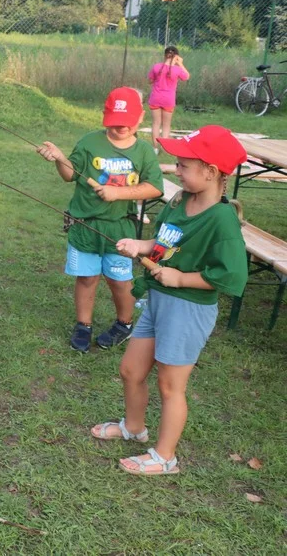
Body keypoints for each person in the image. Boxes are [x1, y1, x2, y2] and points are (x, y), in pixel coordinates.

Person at [92, 125, 247, 475]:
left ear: (210, 171)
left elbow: (231, 276)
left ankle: (165, 457)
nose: (176, 170)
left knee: (170, 385)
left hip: (188, 309)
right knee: (131, 370)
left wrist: (179, 278)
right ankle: (134, 428)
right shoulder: (180, 202)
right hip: (159, 301)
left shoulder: (222, 219)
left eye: (183, 165)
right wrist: (140, 247)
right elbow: (163, 244)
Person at [37, 88, 163, 352]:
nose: (121, 126)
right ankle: (84, 325)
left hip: (120, 228)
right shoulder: (89, 142)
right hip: (85, 225)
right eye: (116, 120)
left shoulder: (143, 151)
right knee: (86, 278)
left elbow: (154, 187)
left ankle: (124, 324)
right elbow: (70, 175)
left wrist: (118, 193)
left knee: (119, 280)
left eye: (128, 119)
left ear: (140, 118)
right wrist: (60, 159)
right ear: (106, 116)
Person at [147, 46, 190, 151]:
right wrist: (180, 63)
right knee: (166, 125)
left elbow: (150, 81)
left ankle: (155, 148)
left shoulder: (156, 67)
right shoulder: (177, 70)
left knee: (156, 123)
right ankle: (165, 147)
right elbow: (187, 76)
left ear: (164, 55)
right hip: (168, 100)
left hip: (155, 98)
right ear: (176, 57)